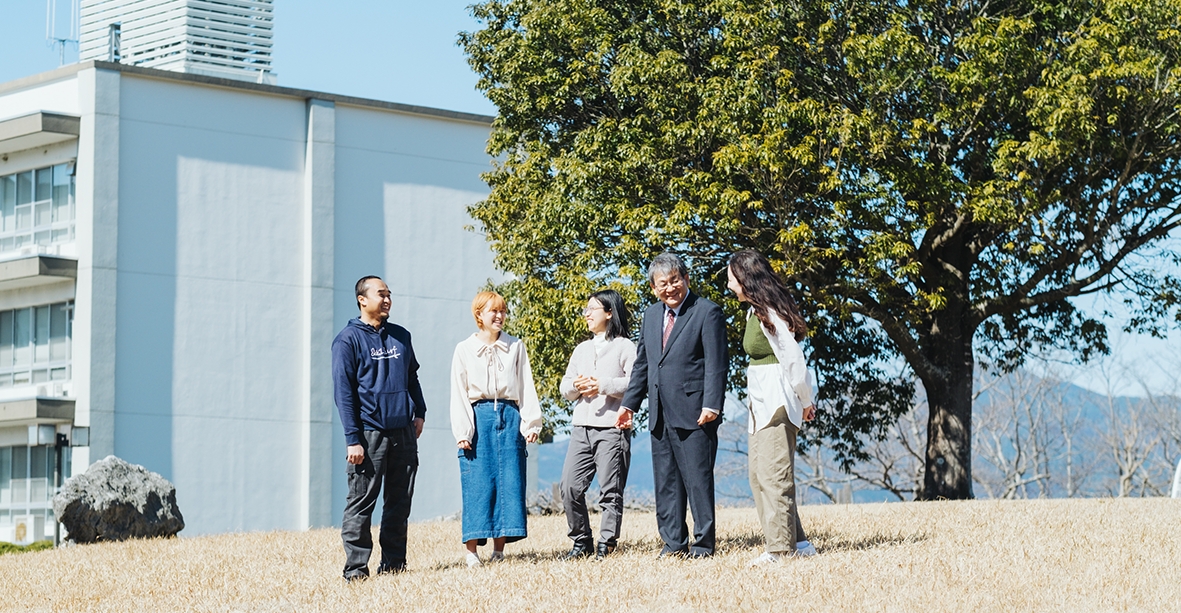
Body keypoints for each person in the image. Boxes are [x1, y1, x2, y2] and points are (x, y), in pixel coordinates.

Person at [619, 253, 728, 558]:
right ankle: (673, 544)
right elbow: (643, 364)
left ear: (686, 279)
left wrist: (712, 405)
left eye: (675, 280)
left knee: (697, 481)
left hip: (697, 413)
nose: (670, 288)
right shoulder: (651, 315)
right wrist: (630, 404)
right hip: (659, 413)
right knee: (666, 483)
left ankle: (704, 545)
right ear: (653, 288)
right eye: (662, 284)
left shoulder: (707, 312)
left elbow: (717, 365)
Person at [726, 250, 819, 565]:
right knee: (759, 475)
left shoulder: (768, 311)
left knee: (774, 476)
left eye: (730, 278)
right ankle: (800, 543)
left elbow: (793, 358)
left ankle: (780, 550)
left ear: (744, 278)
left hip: (778, 399)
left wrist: (805, 400)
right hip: (761, 403)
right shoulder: (754, 311)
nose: (728, 285)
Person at [333, 276, 427, 582]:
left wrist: (420, 411)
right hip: (369, 436)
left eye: (389, 295)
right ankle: (356, 571)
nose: (387, 299)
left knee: (399, 503)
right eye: (381, 294)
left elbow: (412, 378)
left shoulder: (401, 336)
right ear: (362, 299)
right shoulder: (348, 340)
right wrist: (352, 439)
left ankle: (394, 566)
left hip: (403, 433)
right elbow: (344, 393)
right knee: (361, 504)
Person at [450, 291, 543, 567]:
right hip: (479, 416)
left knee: (509, 481)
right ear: (479, 314)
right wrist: (463, 432)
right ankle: (471, 551)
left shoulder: (515, 346)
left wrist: (531, 422)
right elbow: (459, 392)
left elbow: (526, 385)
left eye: (503, 311)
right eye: (494, 311)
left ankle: (500, 550)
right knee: (478, 483)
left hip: (510, 414)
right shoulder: (464, 349)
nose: (500, 316)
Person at [559, 289, 637, 560]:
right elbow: (565, 387)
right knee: (569, 486)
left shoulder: (625, 347)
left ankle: (607, 543)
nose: (587, 314)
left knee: (610, 490)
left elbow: (635, 383)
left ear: (609, 312)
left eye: (592, 309)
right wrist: (576, 386)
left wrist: (602, 385)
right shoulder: (581, 349)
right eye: (586, 309)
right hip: (581, 426)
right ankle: (581, 541)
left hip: (612, 428)